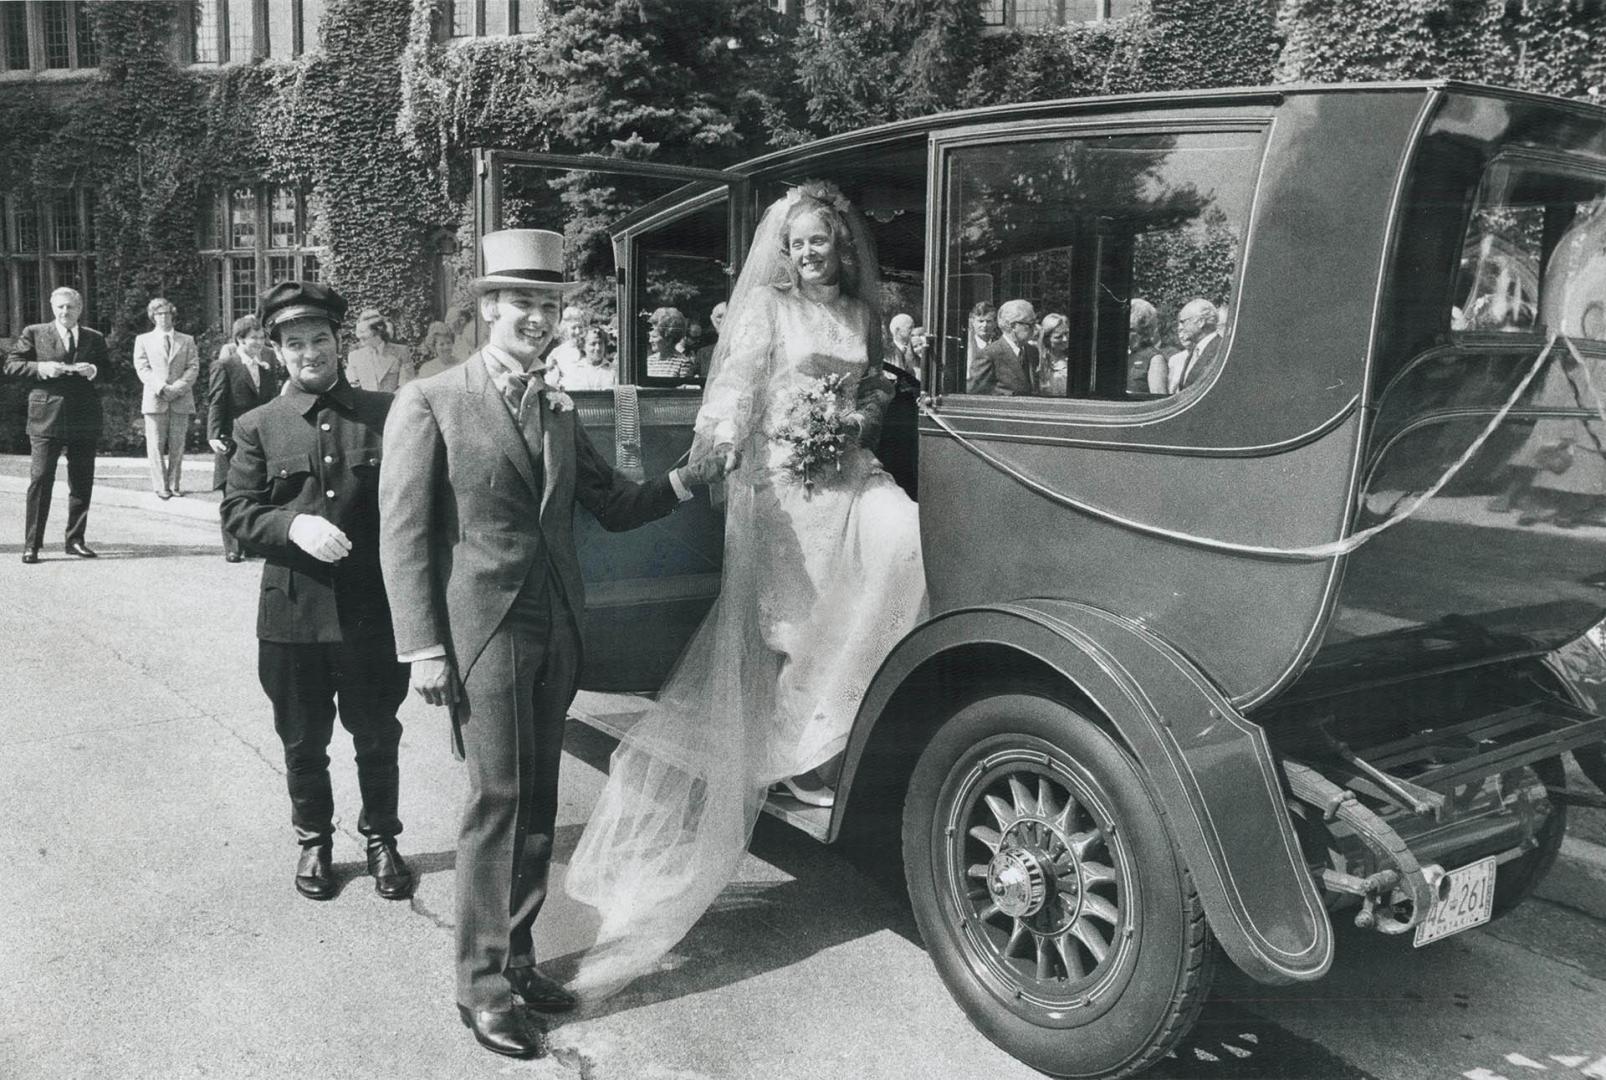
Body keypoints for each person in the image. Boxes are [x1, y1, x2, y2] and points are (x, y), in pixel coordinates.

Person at [564, 180, 928, 998]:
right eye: (796, 243)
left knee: (902, 535)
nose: (808, 254)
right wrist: (722, 440)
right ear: (785, 249)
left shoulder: (863, 315)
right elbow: (735, 383)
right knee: (797, 616)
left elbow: (872, 386)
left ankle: (832, 721)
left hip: (847, 464)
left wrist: (864, 415)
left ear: (841, 246)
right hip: (780, 477)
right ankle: (804, 752)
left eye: (820, 243)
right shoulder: (767, 306)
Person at [377, 228, 726, 1061]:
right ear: (487, 308)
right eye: (521, 303)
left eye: (547, 305)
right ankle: (481, 987)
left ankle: (521, 957)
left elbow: (611, 504)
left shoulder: (557, 407)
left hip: (556, 628)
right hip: (483, 633)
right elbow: (403, 536)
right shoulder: (431, 400)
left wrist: (688, 478)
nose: (536, 318)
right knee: (497, 801)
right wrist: (423, 648)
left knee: (538, 807)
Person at [221, 281, 414, 908]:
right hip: (292, 616)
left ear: (340, 342)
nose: (310, 352)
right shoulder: (258, 426)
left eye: (321, 339)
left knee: (377, 733)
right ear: (278, 351)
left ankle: (382, 839)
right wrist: (290, 524)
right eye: (295, 342)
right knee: (303, 742)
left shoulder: (389, 413)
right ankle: (314, 841)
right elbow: (236, 513)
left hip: (371, 615)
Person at [5, 286, 107, 563]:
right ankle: (32, 544)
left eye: (70, 307)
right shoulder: (35, 333)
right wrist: (40, 368)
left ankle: (75, 539)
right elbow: (11, 365)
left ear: (80, 309)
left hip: (84, 418)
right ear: (52, 308)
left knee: (82, 481)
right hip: (46, 418)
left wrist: (94, 370)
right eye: (60, 307)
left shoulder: (93, 337)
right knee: (40, 480)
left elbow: (110, 370)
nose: (65, 312)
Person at [208, 315, 281, 561]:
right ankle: (232, 547)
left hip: (261, 434)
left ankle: (252, 543)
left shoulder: (268, 362)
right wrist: (214, 434)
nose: (260, 342)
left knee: (257, 487)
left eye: (262, 337)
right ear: (240, 339)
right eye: (254, 338)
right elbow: (217, 401)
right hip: (233, 437)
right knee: (232, 490)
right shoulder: (226, 365)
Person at [132, 297, 200, 500]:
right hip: (155, 399)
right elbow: (142, 367)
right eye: (158, 314)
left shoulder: (186, 340)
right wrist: (161, 388)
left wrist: (178, 387)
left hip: (181, 398)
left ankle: (174, 484)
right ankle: (161, 486)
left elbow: (193, 366)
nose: (163, 317)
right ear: (153, 317)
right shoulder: (143, 340)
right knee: (155, 445)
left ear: (173, 315)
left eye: (166, 313)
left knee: (178, 445)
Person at [969, 298, 1038, 395]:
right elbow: (976, 396)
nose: (1034, 329)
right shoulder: (989, 354)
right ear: (1013, 326)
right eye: (1030, 324)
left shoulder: (1032, 351)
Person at [345, 308, 415, 392]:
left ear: (378, 332)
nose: (360, 339)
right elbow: (352, 387)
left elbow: (407, 385)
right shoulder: (354, 357)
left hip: (395, 403)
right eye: (359, 336)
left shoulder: (401, 352)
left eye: (364, 336)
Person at [1168, 297, 1222, 393]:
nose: (1180, 327)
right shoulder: (1194, 351)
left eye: (1183, 322)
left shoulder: (1219, 349)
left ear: (1200, 322)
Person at [1127, 298, 1168, 395]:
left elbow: (1158, 398)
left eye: (1131, 330)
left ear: (1144, 331)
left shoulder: (1155, 359)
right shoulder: (1125, 355)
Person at [645, 306, 694, 381]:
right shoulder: (649, 361)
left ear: (669, 339)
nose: (650, 340)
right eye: (650, 336)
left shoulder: (683, 363)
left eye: (654, 337)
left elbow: (684, 391)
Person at [1035, 312, 1071, 397]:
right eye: (1058, 337)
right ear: (1047, 339)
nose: (1065, 339)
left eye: (1066, 333)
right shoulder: (1038, 360)